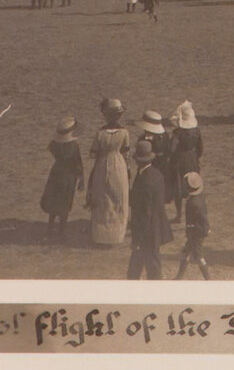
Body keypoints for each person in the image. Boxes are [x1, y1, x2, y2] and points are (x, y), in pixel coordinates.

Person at [85, 98, 131, 245]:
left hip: (103, 164)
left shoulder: (100, 133)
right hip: (119, 165)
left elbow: (93, 153)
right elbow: (126, 152)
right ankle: (116, 236)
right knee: (119, 197)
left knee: (103, 198)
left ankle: (100, 236)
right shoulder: (124, 132)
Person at [127, 139, 173, 279]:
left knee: (150, 269)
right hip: (155, 228)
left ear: (138, 160)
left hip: (147, 233)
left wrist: (138, 239)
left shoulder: (144, 180)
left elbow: (145, 213)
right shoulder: (156, 174)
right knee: (140, 267)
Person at [39, 115, 84, 242]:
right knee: (65, 202)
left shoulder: (55, 145)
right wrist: (82, 178)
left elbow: (52, 150)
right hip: (69, 175)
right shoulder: (74, 146)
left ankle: (50, 229)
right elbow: (78, 163)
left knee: (54, 201)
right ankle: (62, 231)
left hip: (56, 172)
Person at [168, 101, 203, 221]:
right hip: (192, 158)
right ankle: (195, 212)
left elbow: (172, 148)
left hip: (180, 160)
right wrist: (196, 157)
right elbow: (200, 147)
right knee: (193, 184)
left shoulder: (178, 133)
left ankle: (179, 215)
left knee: (178, 187)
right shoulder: (197, 131)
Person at [176, 171, 211, 279]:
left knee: (197, 256)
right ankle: (179, 277)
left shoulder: (193, 203)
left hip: (196, 232)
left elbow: (202, 218)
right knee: (186, 253)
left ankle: (208, 278)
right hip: (196, 231)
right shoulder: (200, 197)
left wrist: (204, 229)